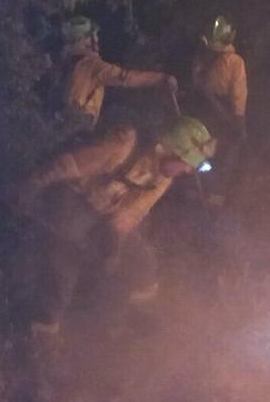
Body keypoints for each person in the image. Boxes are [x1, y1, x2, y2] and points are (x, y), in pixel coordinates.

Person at [12, 116, 217, 337]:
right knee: (64, 262)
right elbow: (70, 164)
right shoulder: (125, 146)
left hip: (105, 214)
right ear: (167, 150)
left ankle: (131, 320)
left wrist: (114, 244)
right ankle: (42, 334)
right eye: (186, 162)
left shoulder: (164, 177)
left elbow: (132, 213)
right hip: (74, 199)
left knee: (142, 262)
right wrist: (33, 184)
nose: (187, 170)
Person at [58, 16, 177, 130]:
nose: (97, 39)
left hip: (63, 124)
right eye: (94, 35)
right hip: (80, 124)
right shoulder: (92, 65)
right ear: (85, 40)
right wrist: (161, 78)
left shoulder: (66, 65)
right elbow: (126, 78)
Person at [190, 16, 248, 198]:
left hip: (210, 109)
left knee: (208, 149)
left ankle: (205, 187)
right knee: (224, 151)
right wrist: (238, 119)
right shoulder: (231, 61)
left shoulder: (226, 60)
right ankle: (213, 192)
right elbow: (239, 92)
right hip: (217, 111)